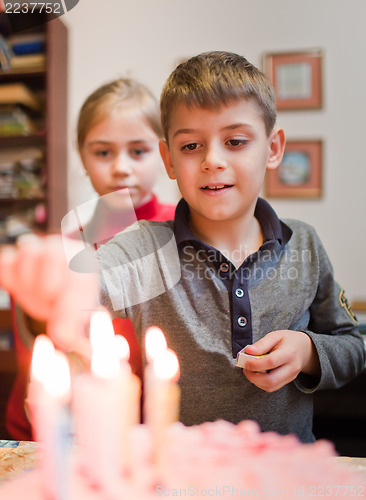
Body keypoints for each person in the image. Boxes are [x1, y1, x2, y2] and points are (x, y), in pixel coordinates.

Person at [0, 52, 364, 443]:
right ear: (169, 159)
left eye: (235, 141)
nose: (213, 160)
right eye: (191, 146)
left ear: (273, 148)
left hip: (289, 470)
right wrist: (61, 282)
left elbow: (352, 345)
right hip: (180, 476)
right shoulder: (146, 244)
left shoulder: (304, 243)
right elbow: (93, 278)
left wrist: (308, 352)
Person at [5, 78, 176, 441]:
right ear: (82, 157)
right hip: (75, 429)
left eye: (138, 151)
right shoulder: (68, 243)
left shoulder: (183, 229)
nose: (121, 167)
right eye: (103, 153)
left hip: (160, 425)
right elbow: (38, 339)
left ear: (164, 155)